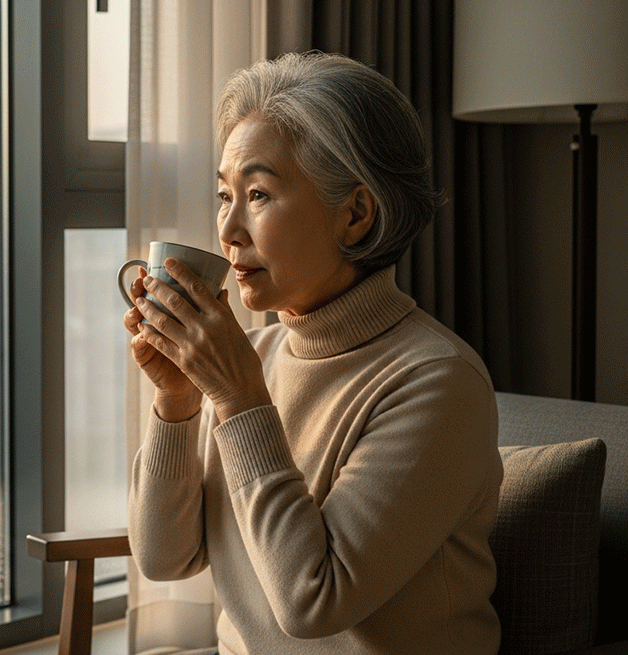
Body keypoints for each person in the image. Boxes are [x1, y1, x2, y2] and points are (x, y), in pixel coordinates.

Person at [124, 52, 503, 654]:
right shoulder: (255, 355)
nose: (227, 230)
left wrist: (240, 400)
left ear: (354, 215)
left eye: (258, 194)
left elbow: (312, 601)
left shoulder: (438, 383)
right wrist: (176, 402)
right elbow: (163, 559)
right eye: (225, 195)